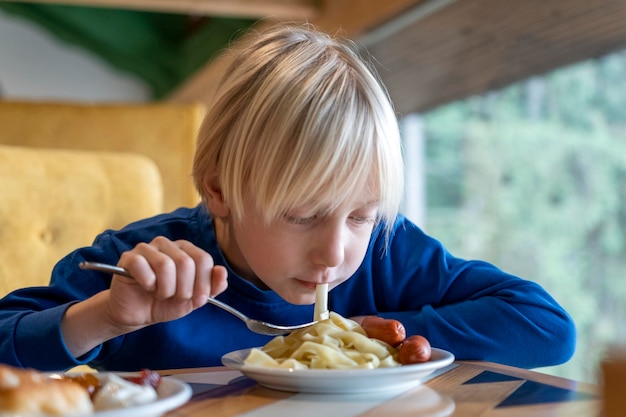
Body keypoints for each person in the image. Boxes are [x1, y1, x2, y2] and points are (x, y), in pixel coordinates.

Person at [0, 24, 575, 372]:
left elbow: (546, 326)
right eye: (303, 215)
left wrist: (357, 340)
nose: (335, 251)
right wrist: (105, 318)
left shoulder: (381, 254)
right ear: (220, 188)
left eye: (361, 214)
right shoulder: (146, 265)